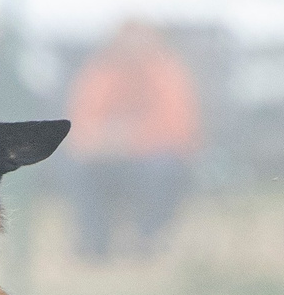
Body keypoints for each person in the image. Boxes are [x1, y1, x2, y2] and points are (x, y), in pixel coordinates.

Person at [61, 19, 200, 261]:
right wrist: (101, 141)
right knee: (79, 167)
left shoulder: (165, 70)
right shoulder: (102, 71)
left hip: (153, 158)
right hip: (109, 160)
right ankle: (95, 244)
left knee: (160, 168)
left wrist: (131, 138)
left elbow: (178, 127)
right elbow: (81, 124)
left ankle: (149, 240)